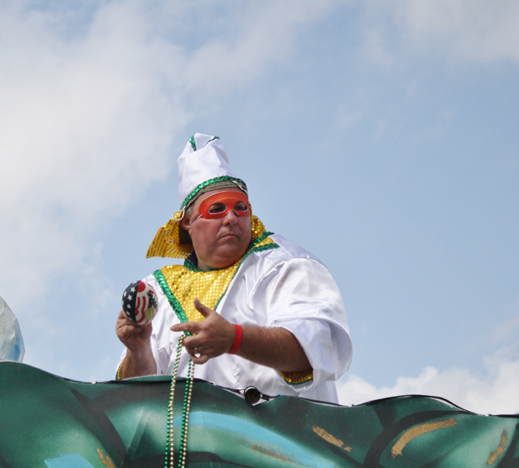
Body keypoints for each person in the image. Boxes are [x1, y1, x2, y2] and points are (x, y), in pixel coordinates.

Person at [115, 134, 352, 402]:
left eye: (240, 208)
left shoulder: (287, 265)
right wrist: (138, 349)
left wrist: (234, 339)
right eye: (216, 209)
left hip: (281, 440)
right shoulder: (158, 290)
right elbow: (136, 400)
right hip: (186, 445)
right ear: (187, 222)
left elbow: (316, 351)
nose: (231, 218)